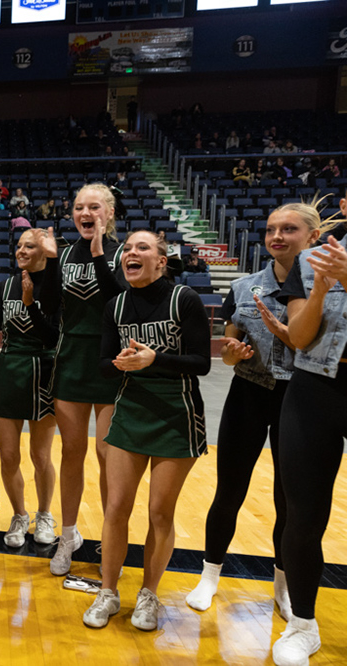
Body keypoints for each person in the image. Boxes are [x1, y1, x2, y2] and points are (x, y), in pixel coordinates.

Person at [186, 202, 322, 618]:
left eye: (289, 229)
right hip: (248, 394)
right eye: (270, 229)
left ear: (313, 237)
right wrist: (233, 352)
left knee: (289, 501)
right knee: (229, 491)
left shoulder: (329, 289)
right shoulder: (245, 287)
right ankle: (209, 575)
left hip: (299, 400)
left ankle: (283, 586)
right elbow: (229, 352)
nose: (277, 236)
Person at [83, 230, 210, 631]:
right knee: (116, 506)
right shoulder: (116, 305)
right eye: (127, 249)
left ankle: (149, 594)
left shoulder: (184, 299)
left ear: (161, 260)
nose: (131, 253)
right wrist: (119, 363)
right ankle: (108, 591)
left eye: (142, 248)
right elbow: (103, 364)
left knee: (159, 512)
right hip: (131, 409)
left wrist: (156, 359)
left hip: (177, 412)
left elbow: (202, 362)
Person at [268, 196, 347, 666]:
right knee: (302, 514)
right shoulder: (312, 260)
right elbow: (298, 337)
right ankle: (302, 624)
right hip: (314, 388)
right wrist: (320, 288)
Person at [37, 183, 126, 576]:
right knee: (71, 452)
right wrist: (51, 262)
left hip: (110, 361)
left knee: (108, 455)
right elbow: (50, 305)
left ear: (109, 212)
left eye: (94, 207)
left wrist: (100, 256)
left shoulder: (124, 252)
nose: (85, 213)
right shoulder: (66, 253)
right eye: (78, 207)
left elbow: (120, 301)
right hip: (71, 359)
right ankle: (68, 534)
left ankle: (111, 536)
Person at [0, 228, 59, 548]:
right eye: (19, 245)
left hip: (44, 371)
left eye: (29, 246)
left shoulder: (54, 286)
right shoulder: (5, 286)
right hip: (8, 371)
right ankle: (19, 514)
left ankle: (45, 513)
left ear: (44, 251)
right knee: (9, 456)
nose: (21, 251)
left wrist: (31, 304)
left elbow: (53, 337)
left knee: (41, 455)